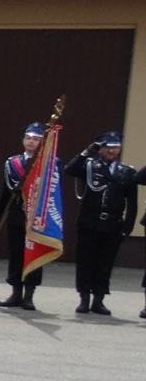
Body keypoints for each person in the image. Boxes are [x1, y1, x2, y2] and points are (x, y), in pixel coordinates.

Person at [64, 131, 137, 315]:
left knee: (105, 263)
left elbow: (132, 204)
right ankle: (84, 299)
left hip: (112, 225)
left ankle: (99, 300)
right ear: (100, 149)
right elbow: (70, 169)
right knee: (86, 261)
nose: (111, 151)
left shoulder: (127, 172)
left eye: (115, 147)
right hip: (90, 223)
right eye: (107, 147)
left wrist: (127, 228)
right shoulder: (89, 166)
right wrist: (86, 152)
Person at [0, 123, 47, 310]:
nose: (31, 142)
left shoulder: (48, 163)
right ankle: (16, 293)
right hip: (17, 214)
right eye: (29, 138)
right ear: (23, 140)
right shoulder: (13, 162)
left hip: (37, 218)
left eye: (36, 139)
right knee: (16, 255)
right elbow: (7, 192)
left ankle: (29, 295)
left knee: (33, 254)